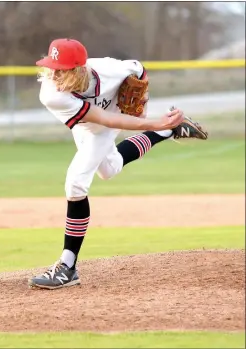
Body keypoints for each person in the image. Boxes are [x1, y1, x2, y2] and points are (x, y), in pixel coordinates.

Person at [28, 38, 208, 290]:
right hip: (88, 121)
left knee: (76, 183)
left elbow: (138, 69)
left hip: (110, 116)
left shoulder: (109, 70)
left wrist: (142, 105)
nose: (53, 73)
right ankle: (168, 132)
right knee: (108, 169)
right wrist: (158, 124)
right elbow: (101, 119)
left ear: (78, 70)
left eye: (61, 69)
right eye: (52, 65)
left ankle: (67, 266)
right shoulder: (52, 94)